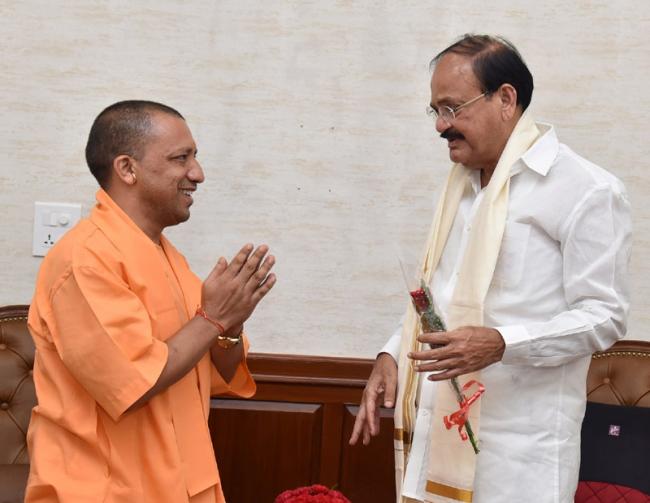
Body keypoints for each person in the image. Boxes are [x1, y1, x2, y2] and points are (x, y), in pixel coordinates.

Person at [350, 34, 631, 503]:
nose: (441, 126)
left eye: (453, 108)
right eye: (435, 111)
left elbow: (604, 316)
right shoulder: (459, 189)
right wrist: (391, 354)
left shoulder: (586, 190)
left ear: (506, 98)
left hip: (520, 457)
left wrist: (502, 343)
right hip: (437, 428)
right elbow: (437, 296)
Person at [25, 100, 276, 503]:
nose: (198, 174)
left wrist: (231, 325)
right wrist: (213, 319)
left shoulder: (166, 257)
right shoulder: (85, 260)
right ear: (127, 169)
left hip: (184, 483)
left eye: (195, 158)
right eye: (181, 158)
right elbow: (135, 383)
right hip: (105, 489)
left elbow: (218, 369)